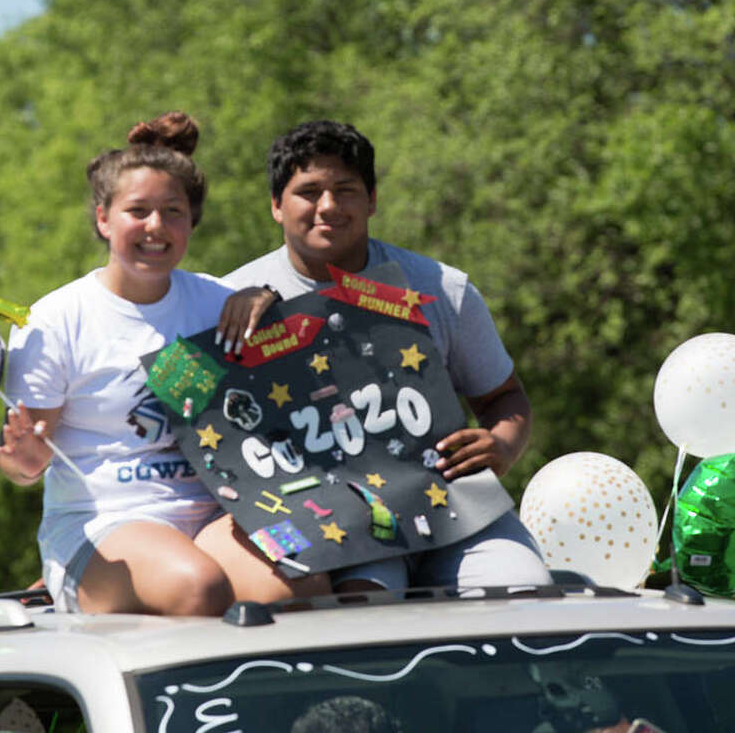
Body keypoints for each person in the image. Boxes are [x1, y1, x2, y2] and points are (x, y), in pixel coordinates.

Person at [0, 112, 328, 615]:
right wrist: (23, 461)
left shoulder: (221, 302)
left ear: (191, 220)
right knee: (198, 588)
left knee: (306, 578)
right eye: (138, 211)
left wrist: (268, 302)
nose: (156, 227)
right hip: (103, 523)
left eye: (173, 211)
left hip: (223, 512)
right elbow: (23, 468)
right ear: (104, 219)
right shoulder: (54, 319)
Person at [224, 119, 551, 593]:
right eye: (309, 191)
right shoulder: (229, 303)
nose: (329, 206)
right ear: (277, 205)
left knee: (524, 590)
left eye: (346, 189)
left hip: (456, 510)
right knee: (367, 606)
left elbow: (506, 398)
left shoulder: (442, 289)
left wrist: (501, 445)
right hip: (339, 529)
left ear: (372, 199)